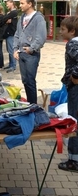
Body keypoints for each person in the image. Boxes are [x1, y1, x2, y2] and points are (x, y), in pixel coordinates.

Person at [13, 0, 47, 104]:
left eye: (22, 3)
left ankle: (33, 106)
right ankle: (29, 104)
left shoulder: (38, 18)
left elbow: (41, 37)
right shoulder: (21, 17)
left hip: (31, 55)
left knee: (30, 81)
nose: (20, 5)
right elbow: (17, 34)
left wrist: (31, 49)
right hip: (21, 53)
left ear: (30, 4)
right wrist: (15, 49)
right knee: (25, 81)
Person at [58, 16, 78, 172]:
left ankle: (74, 159)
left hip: (75, 88)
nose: (60, 31)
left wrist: (75, 77)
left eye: (63, 29)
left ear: (72, 31)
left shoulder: (72, 44)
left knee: (74, 120)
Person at [2, 0, 18, 73]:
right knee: (9, 50)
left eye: (8, 4)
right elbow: (6, 19)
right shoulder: (11, 13)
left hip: (12, 33)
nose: (6, 5)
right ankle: (11, 64)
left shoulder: (14, 12)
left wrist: (7, 17)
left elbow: (4, 18)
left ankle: (13, 66)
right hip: (9, 33)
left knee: (11, 50)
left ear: (12, 3)